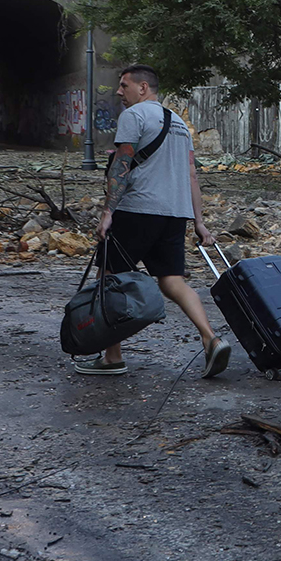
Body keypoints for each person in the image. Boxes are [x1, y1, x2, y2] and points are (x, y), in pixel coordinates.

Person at [71, 64, 233, 379]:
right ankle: (210, 338)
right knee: (172, 282)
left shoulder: (134, 116)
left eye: (124, 85)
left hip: (137, 211)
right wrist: (199, 222)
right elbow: (191, 175)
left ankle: (112, 357)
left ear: (143, 88)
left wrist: (107, 213)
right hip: (174, 213)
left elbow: (122, 164)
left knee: (110, 279)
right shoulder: (179, 124)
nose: (119, 92)